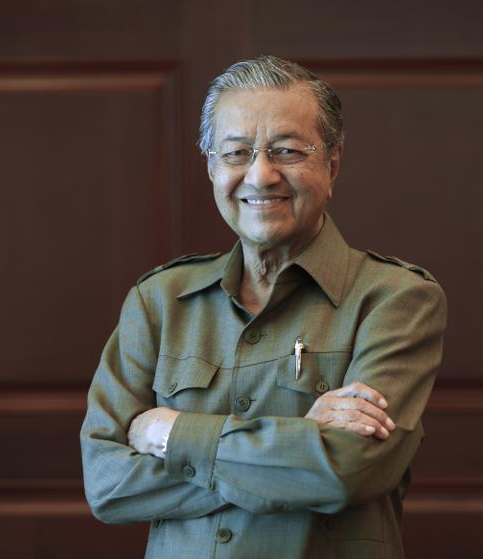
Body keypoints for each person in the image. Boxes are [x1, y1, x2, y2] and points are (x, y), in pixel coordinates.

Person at [80, 55, 447, 559]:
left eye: (287, 151)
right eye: (236, 153)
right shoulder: (160, 302)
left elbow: (348, 470)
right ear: (211, 166)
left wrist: (169, 432)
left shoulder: (396, 300)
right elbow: (107, 484)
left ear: (332, 163)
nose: (261, 175)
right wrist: (299, 447)